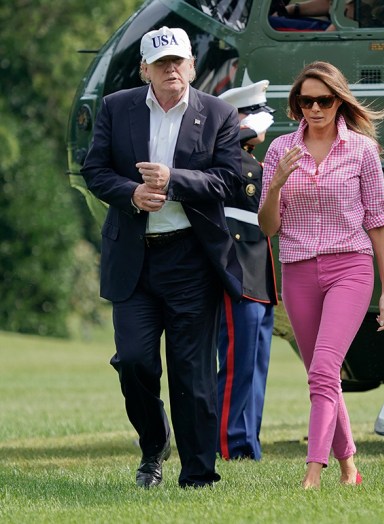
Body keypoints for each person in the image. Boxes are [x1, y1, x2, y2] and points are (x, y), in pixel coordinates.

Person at [81, 26, 243, 489]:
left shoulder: (219, 114)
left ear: (192, 66)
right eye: (161, 62)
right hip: (133, 258)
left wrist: (174, 180)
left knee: (193, 374)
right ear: (145, 69)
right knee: (133, 361)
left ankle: (198, 476)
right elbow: (95, 170)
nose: (171, 69)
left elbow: (228, 180)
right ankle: (154, 445)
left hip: (192, 260)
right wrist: (131, 192)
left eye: (179, 61)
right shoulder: (117, 107)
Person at [258, 61, 384, 489]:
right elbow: (267, 227)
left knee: (323, 368)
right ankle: (349, 467)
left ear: (339, 101)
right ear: (296, 105)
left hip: (350, 269)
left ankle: (312, 473)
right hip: (297, 270)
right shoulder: (280, 150)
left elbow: (377, 221)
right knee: (323, 375)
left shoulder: (362, 150)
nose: (315, 108)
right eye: (306, 101)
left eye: (324, 100)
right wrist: (277, 183)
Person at [215, 80, 278, 461]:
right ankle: (227, 443)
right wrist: (246, 125)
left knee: (255, 365)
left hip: (259, 275)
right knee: (238, 365)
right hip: (236, 271)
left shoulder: (252, 160)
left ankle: (247, 442)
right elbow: (220, 141)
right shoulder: (222, 154)